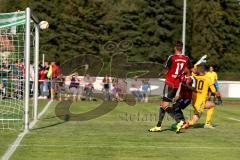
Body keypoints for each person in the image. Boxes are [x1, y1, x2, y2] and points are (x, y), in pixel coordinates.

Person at [149, 41, 190, 133]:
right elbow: (188, 70)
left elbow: (165, 70)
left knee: (164, 105)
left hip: (169, 83)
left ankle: (179, 121)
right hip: (176, 85)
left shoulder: (172, 57)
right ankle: (158, 126)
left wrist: (160, 73)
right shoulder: (186, 58)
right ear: (182, 48)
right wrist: (183, 75)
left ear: (175, 48)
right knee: (162, 104)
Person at [187, 64, 216, 129]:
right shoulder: (208, 79)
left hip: (194, 101)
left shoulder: (194, 76)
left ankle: (207, 124)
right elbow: (214, 90)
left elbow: (194, 68)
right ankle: (180, 123)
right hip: (200, 103)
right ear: (205, 71)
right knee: (193, 122)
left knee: (212, 105)